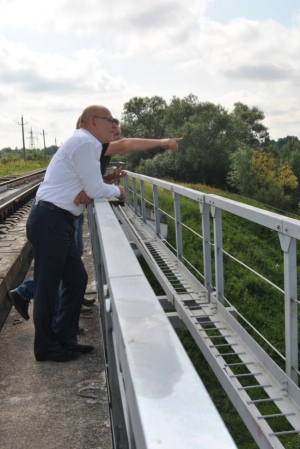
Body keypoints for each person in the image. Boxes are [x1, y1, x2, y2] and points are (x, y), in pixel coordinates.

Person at [14, 105, 182, 363]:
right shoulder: (84, 143)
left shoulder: (89, 144)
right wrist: (119, 192)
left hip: (58, 220)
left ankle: (65, 339)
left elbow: (93, 183)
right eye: (109, 120)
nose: (113, 124)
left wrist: (97, 188)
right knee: (48, 288)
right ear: (93, 121)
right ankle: (46, 347)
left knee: (77, 278)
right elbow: (94, 187)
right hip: (50, 221)